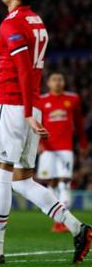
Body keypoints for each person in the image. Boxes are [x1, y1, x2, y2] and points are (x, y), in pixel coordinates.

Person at [0, 0, 92, 265]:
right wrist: (33, 110)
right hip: (28, 108)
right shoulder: (37, 22)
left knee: (0, 176)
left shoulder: (12, 23)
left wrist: (30, 111)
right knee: (21, 180)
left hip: (13, 107)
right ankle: (77, 228)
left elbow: (23, 69)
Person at [36, 72, 88, 232]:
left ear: (64, 82)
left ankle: (62, 221)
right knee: (50, 183)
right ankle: (58, 218)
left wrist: (83, 143)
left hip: (65, 148)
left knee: (64, 182)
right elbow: (36, 123)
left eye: (60, 79)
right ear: (48, 83)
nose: (57, 82)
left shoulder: (72, 99)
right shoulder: (42, 100)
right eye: (54, 80)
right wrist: (37, 144)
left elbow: (79, 123)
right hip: (47, 148)